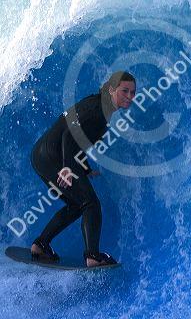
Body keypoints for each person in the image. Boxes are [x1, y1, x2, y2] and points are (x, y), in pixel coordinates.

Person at [30, 71, 136, 267]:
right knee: (90, 204)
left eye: (132, 92)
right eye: (124, 91)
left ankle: (41, 245)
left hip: (42, 156)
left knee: (76, 205)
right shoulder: (98, 110)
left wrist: (84, 169)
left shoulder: (99, 106)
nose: (130, 96)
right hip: (53, 157)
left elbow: (80, 140)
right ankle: (92, 256)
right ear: (111, 90)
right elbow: (69, 136)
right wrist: (67, 168)